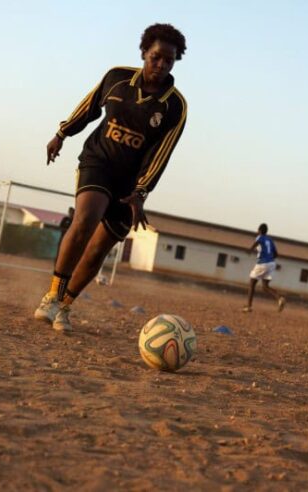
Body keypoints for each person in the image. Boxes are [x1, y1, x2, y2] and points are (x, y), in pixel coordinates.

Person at [34, 23, 188, 332]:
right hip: (98, 161)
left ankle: (64, 308)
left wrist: (141, 192)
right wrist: (62, 133)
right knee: (87, 218)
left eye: (168, 60)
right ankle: (52, 296)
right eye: (156, 57)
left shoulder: (175, 106)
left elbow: (161, 154)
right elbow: (88, 108)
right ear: (145, 52)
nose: (161, 65)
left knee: (98, 250)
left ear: (175, 62)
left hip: (130, 185)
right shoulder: (117, 78)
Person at [243, 223, 286, 313]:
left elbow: (257, 242)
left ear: (260, 230)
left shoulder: (260, 237)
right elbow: (276, 254)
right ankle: (280, 298)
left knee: (252, 284)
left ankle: (248, 306)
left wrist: (250, 250)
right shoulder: (270, 240)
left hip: (263, 263)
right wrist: (269, 259)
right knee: (265, 287)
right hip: (271, 263)